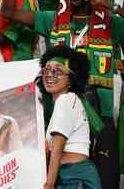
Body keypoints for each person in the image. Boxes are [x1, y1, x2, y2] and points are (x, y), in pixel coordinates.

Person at [0, 0, 124, 188]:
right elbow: (7, 12)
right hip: (62, 113)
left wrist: (109, 7)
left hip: (100, 115)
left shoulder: (111, 22)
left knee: (105, 180)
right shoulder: (53, 19)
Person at [38, 46, 101, 189]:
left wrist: (49, 184)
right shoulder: (69, 101)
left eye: (57, 71)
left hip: (74, 177)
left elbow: (58, 149)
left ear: (70, 80)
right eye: (46, 69)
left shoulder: (65, 100)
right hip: (74, 176)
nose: (49, 74)